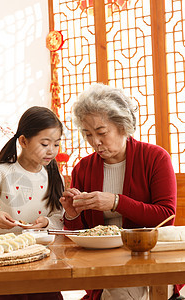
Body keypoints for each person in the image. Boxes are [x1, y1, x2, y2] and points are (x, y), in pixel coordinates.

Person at [59, 84, 178, 300]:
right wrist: (72, 214)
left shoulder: (155, 158)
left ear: (123, 126)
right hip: (101, 264)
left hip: (150, 260)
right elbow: (79, 235)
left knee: (120, 294)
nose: (95, 142)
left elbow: (166, 216)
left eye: (102, 132)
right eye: (88, 134)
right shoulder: (83, 168)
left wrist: (115, 202)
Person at [0, 106, 65, 300]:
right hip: (3, 257)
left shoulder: (54, 176)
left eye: (56, 144)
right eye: (45, 144)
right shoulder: (1, 172)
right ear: (23, 141)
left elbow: (59, 217)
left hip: (40, 256)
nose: (52, 151)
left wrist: (47, 223)